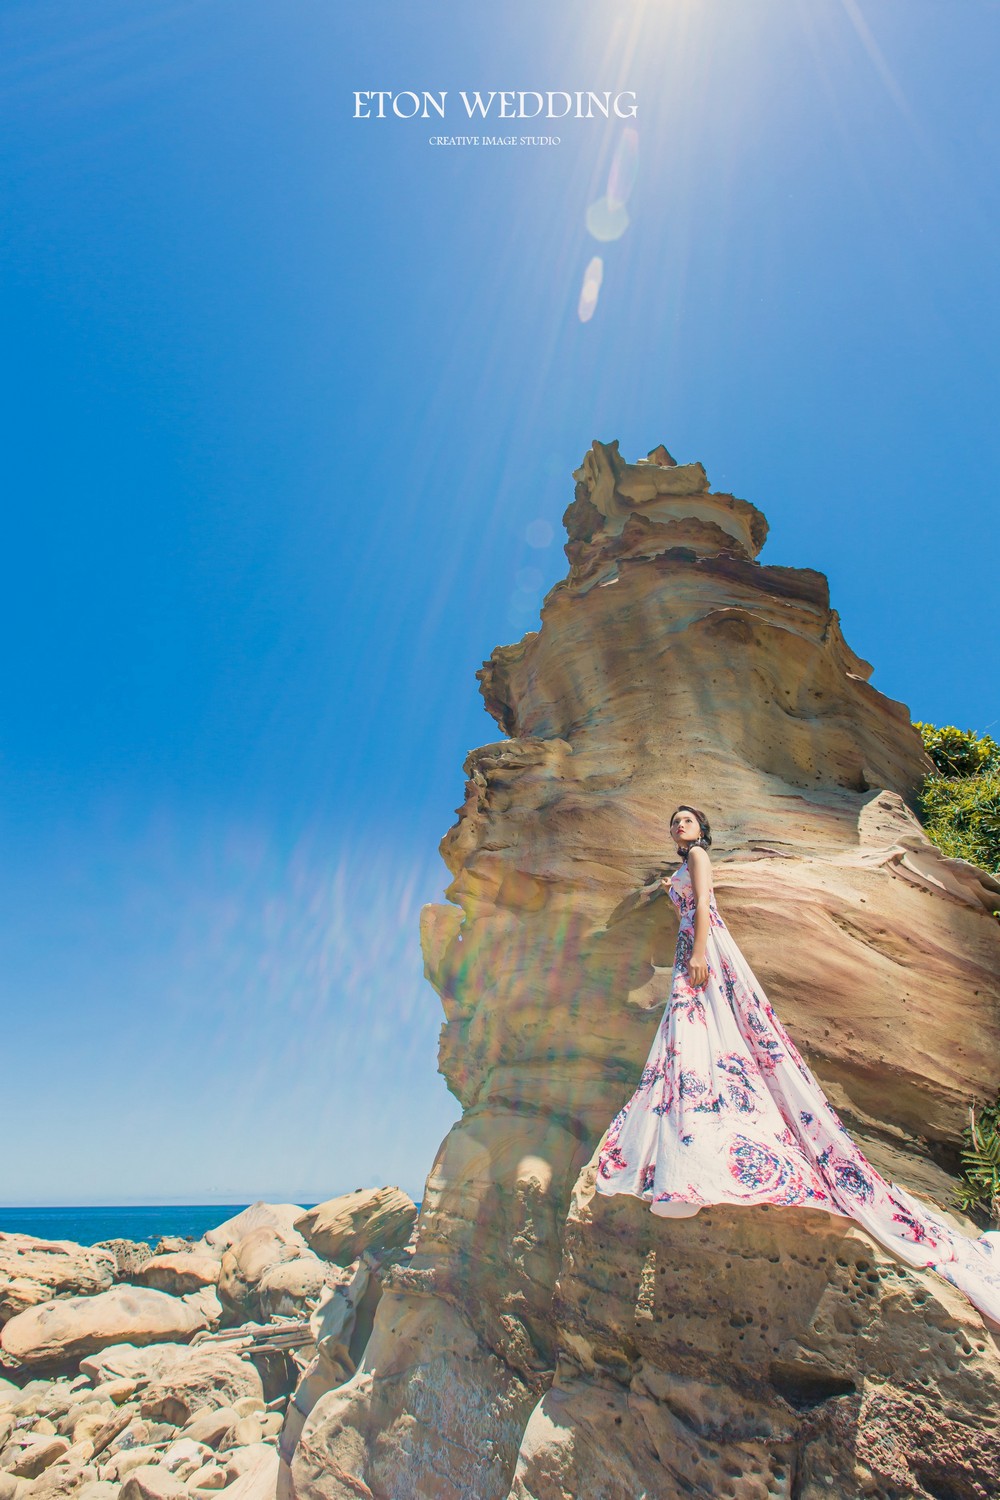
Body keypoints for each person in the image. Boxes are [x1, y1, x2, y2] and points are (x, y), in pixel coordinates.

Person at [594, 804, 1000, 1325]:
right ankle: (685, 1151)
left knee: (704, 1024)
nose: (680, 826)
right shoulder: (680, 863)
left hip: (705, 945)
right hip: (690, 948)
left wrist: (699, 953)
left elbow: (705, 908)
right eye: (673, 821)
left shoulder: (697, 856)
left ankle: (694, 1157)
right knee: (697, 1031)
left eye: (688, 820)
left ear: (702, 831)